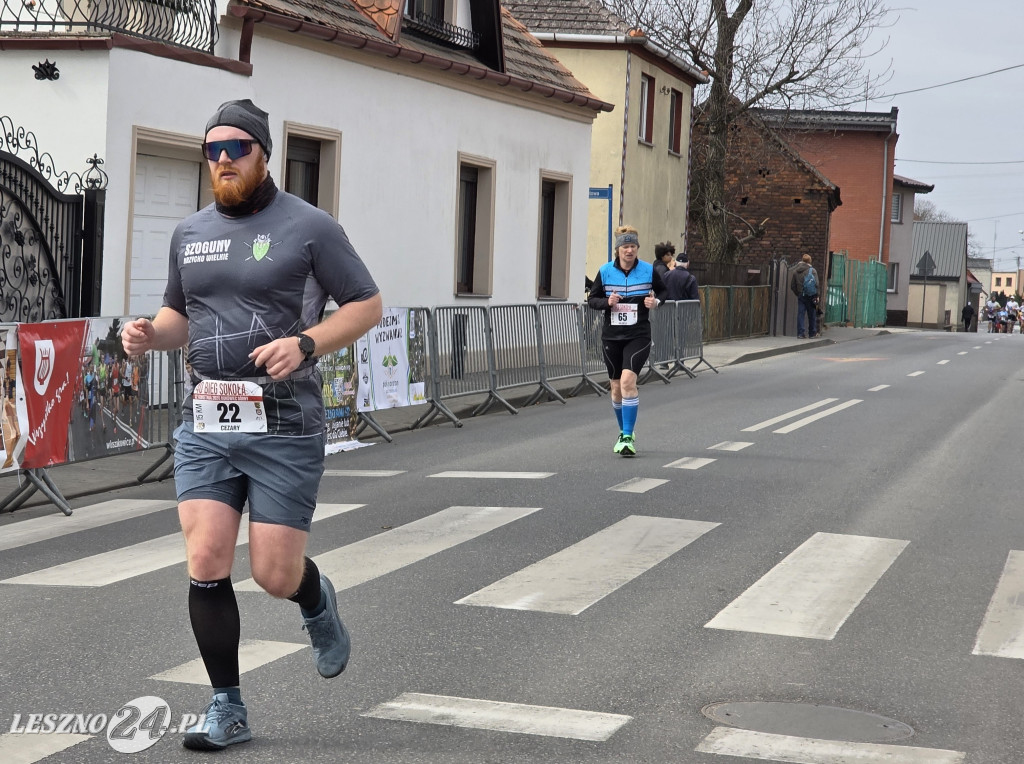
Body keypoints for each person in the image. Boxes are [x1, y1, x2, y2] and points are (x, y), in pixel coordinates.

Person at [121, 99, 382, 751]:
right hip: (207, 420)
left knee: (272, 574)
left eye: (237, 147)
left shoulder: (310, 226)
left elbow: (366, 303)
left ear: (264, 154)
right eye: (212, 149)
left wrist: (307, 344)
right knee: (207, 557)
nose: (223, 159)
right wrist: (149, 334)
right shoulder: (189, 233)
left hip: (284, 423)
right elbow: (181, 316)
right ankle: (227, 706)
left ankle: (315, 600)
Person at [587, 225, 667, 457]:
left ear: (637, 248)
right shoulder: (605, 271)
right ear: (618, 250)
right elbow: (592, 299)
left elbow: (663, 291)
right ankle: (624, 432)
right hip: (612, 336)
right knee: (615, 388)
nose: (629, 251)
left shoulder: (648, 270)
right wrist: (607, 302)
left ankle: (628, 436)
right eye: (625, 247)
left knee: (627, 381)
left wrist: (656, 302)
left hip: (638, 334)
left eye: (633, 246)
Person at [790, 254, 819, 339]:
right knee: (812, 314)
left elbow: (792, 286)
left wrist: (798, 293)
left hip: (801, 295)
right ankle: (812, 333)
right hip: (812, 295)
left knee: (801, 314)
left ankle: (800, 333)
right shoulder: (813, 270)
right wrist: (817, 295)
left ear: (802, 260)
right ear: (810, 261)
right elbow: (817, 284)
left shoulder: (796, 271)